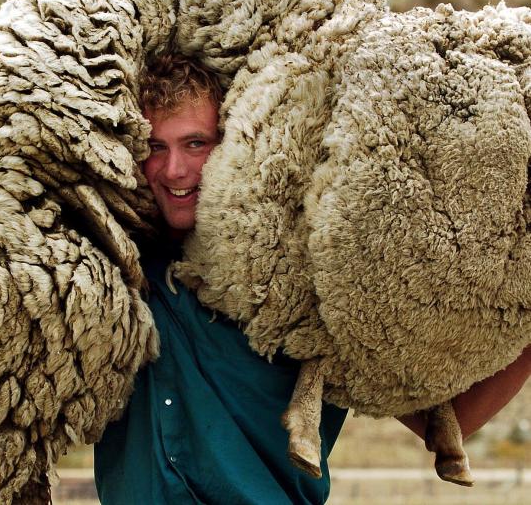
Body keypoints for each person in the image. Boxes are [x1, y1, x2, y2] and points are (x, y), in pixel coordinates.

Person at [94, 55, 531, 504]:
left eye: (195, 143)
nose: (174, 171)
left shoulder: (307, 279)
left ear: (232, 144)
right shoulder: (103, 269)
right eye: (157, 147)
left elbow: (449, 417)